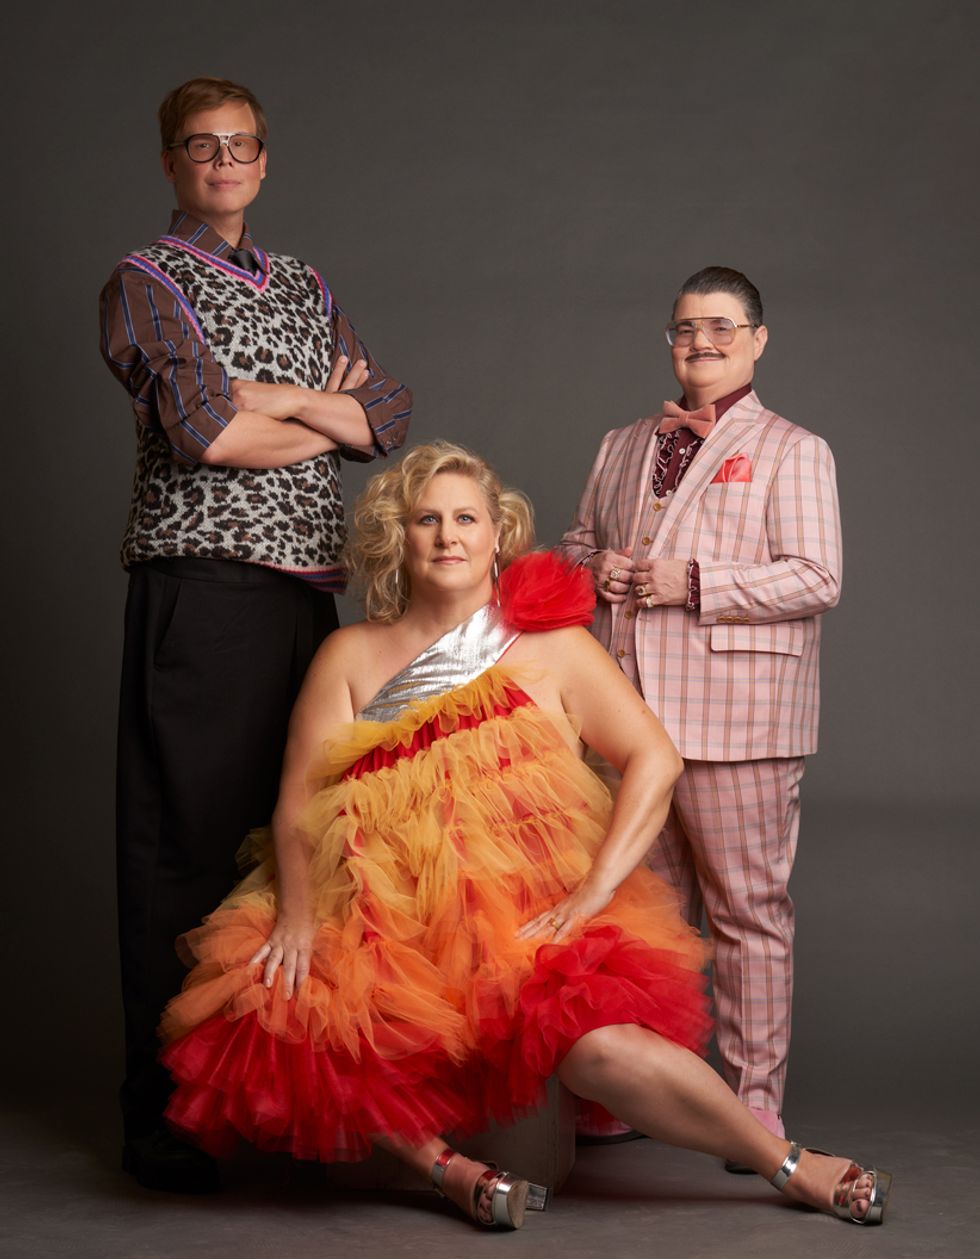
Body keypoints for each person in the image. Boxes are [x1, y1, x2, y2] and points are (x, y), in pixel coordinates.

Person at [157, 442, 884, 1228]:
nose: (447, 535)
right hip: (380, 916)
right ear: (398, 537)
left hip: (519, 920)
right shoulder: (350, 654)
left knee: (596, 1053)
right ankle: (446, 1169)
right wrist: (299, 918)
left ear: (497, 534)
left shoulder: (554, 646)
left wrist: (594, 891)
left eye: (465, 518)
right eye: (426, 519)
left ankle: (785, 1162)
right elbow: (297, 805)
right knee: (277, 994)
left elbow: (656, 759)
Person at [98, 76, 412, 1191]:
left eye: (241, 145)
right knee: (185, 849)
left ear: (265, 161)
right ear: (172, 162)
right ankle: (167, 1120)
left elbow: (386, 414)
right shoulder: (145, 280)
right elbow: (203, 436)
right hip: (204, 588)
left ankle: (262, 1105)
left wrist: (267, 399)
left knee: (292, 846)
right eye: (202, 146)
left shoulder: (304, 282)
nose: (224, 162)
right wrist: (322, 413)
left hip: (305, 597)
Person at [558, 267, 842, 1155]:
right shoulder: (619, 444)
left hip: (739, 723)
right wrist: (594, 568)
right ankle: (645, 1093)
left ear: (758, 340)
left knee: (746, 914)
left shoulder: (796, 449)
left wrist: (694, 583)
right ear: (670, 341)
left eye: (722, 326)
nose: (702, 341)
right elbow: (573, 548)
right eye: (686, 327)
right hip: (627, 725)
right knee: (644, 914)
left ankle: (752, 1109)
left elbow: (817, 576)